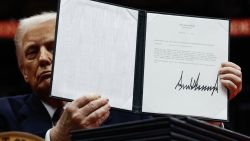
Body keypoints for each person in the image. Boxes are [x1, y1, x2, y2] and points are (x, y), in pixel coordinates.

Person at [0, 12, 242, 141]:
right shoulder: (3, 113)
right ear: (23, 71)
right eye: (32, 52)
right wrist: (56, 138)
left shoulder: (130, 111)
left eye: (54, 47)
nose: (43, 58)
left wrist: (208, 115)